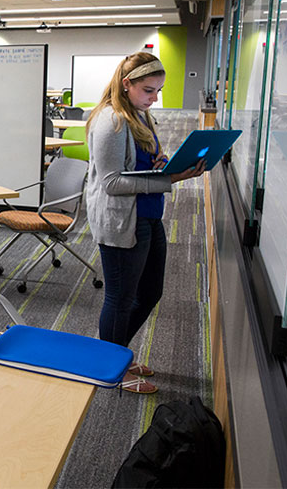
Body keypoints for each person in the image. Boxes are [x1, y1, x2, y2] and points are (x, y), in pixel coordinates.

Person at [85, 52, 205, 394]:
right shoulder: (111, 121)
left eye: (158, 91)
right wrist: (171, 178)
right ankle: (110, 368)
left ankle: (116, 350)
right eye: (149, 90)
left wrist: (164, 164)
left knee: (150, 292)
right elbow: (111, 182)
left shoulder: (140, 116)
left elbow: (143, 163)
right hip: (123, 220)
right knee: (120, 298)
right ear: (127, 85)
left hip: (148, 214)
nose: (155, 98)